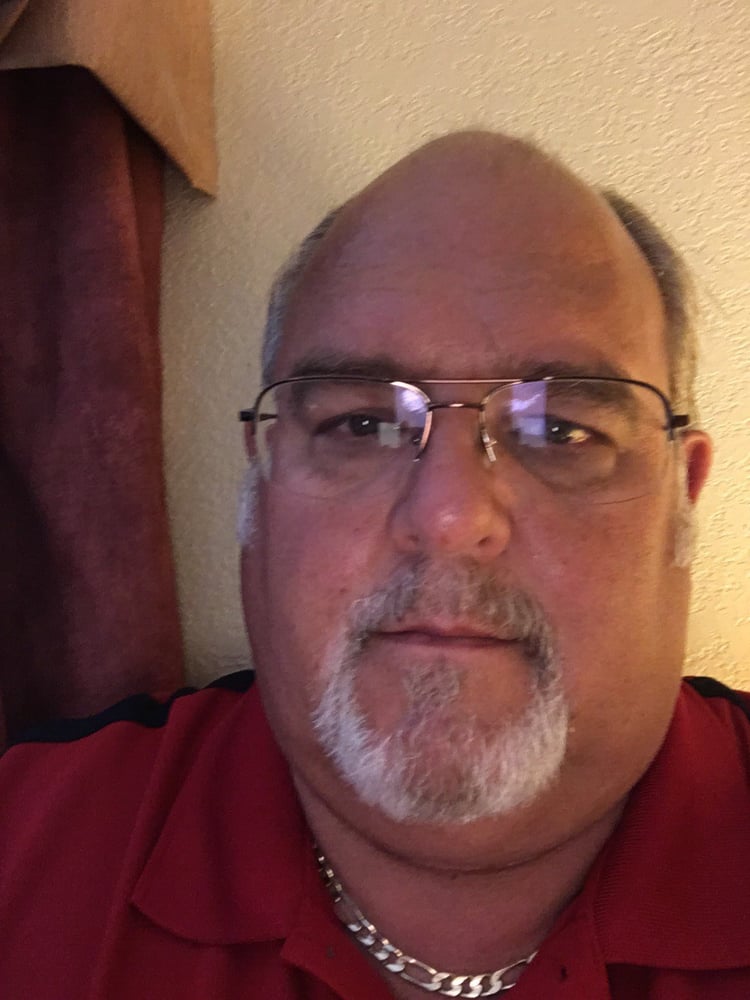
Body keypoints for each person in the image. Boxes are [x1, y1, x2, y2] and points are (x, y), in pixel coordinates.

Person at [1, 129, 748, 1000]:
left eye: (560, 430)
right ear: (259, 490)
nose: (449, 516)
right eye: (361, 425)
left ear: (681, 500)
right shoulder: (25, 851)